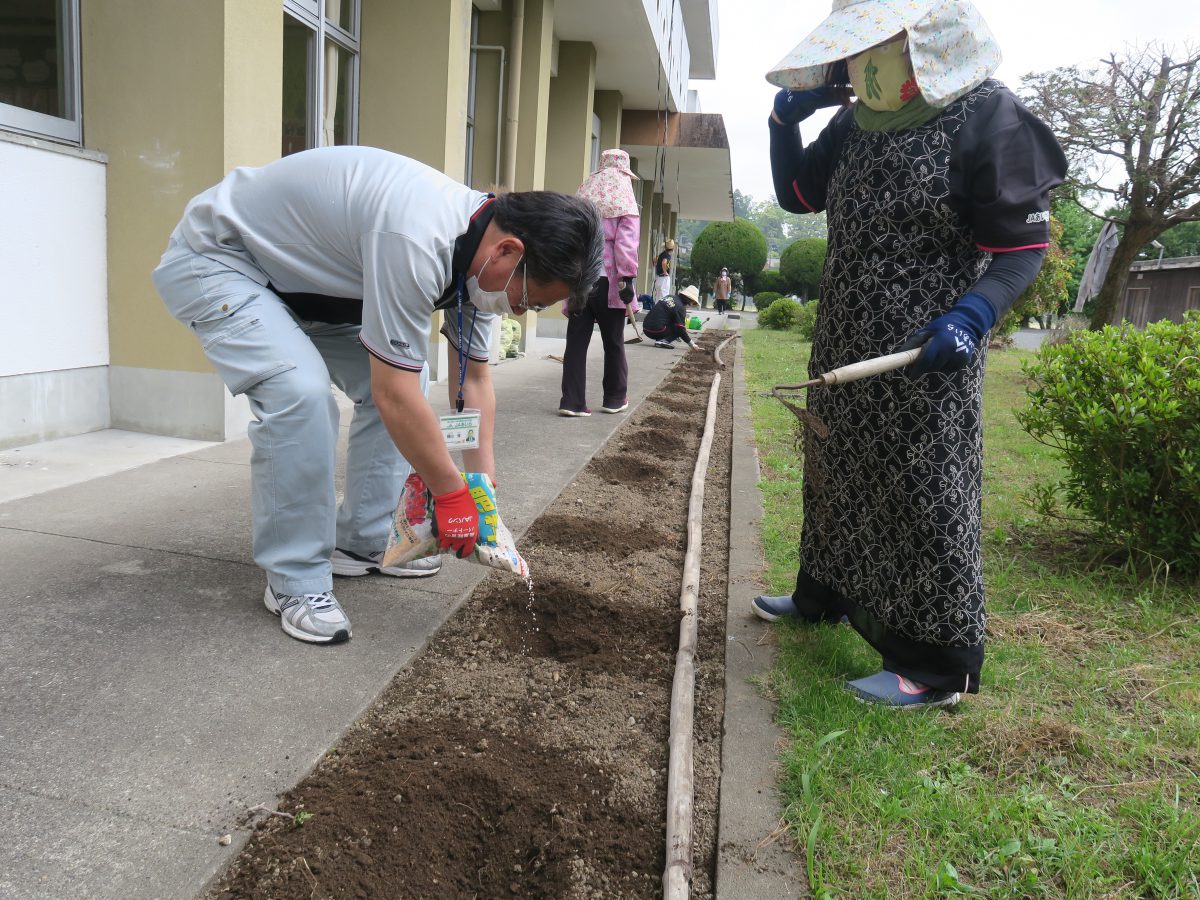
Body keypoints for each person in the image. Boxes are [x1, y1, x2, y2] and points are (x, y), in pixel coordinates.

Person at [153, 146, 602, 645]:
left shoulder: (480, 264)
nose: (520, 312)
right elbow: (396, 395)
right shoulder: (417, 237)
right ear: (509, 252)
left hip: (305, 284)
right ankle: (296, 582)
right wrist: (449, 496)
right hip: (223, 259)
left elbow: (473, 381)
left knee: (398, 392)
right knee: (301, 397)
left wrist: (482, 489)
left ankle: (365, 542)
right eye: (529, 300)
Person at [751, 0, 1066, 707]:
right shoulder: (859, 118)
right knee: (835, 473)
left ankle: (936, 667)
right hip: (844, 338)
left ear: (928, 44)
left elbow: (1021, 250)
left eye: (875, 48)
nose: (860, 66)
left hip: (925, 353)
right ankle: (822, 594)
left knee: (924, 492)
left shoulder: (989, 115)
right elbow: (796, 193)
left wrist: (971, 318)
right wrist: (782, 122)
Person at [559, 149, 641, 417]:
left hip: (581, 281)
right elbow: (625, 245)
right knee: (614, 342)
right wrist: (627, 278)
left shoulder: (583, 194)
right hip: (610, 283)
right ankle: (615, 399)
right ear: (624, 171)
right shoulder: (625, 199)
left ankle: (572, 402)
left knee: (576, 343)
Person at [644, 285, 700, 350]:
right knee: (679, 328)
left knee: (676, 323)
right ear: (689, 299)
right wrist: (692, 344)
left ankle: (661, 339)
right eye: (692, 302)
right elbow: (681, 329)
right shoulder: (680, 307)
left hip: (646, 328)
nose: (691, 304)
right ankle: (664, 341)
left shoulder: (669, 297)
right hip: (656, 330)